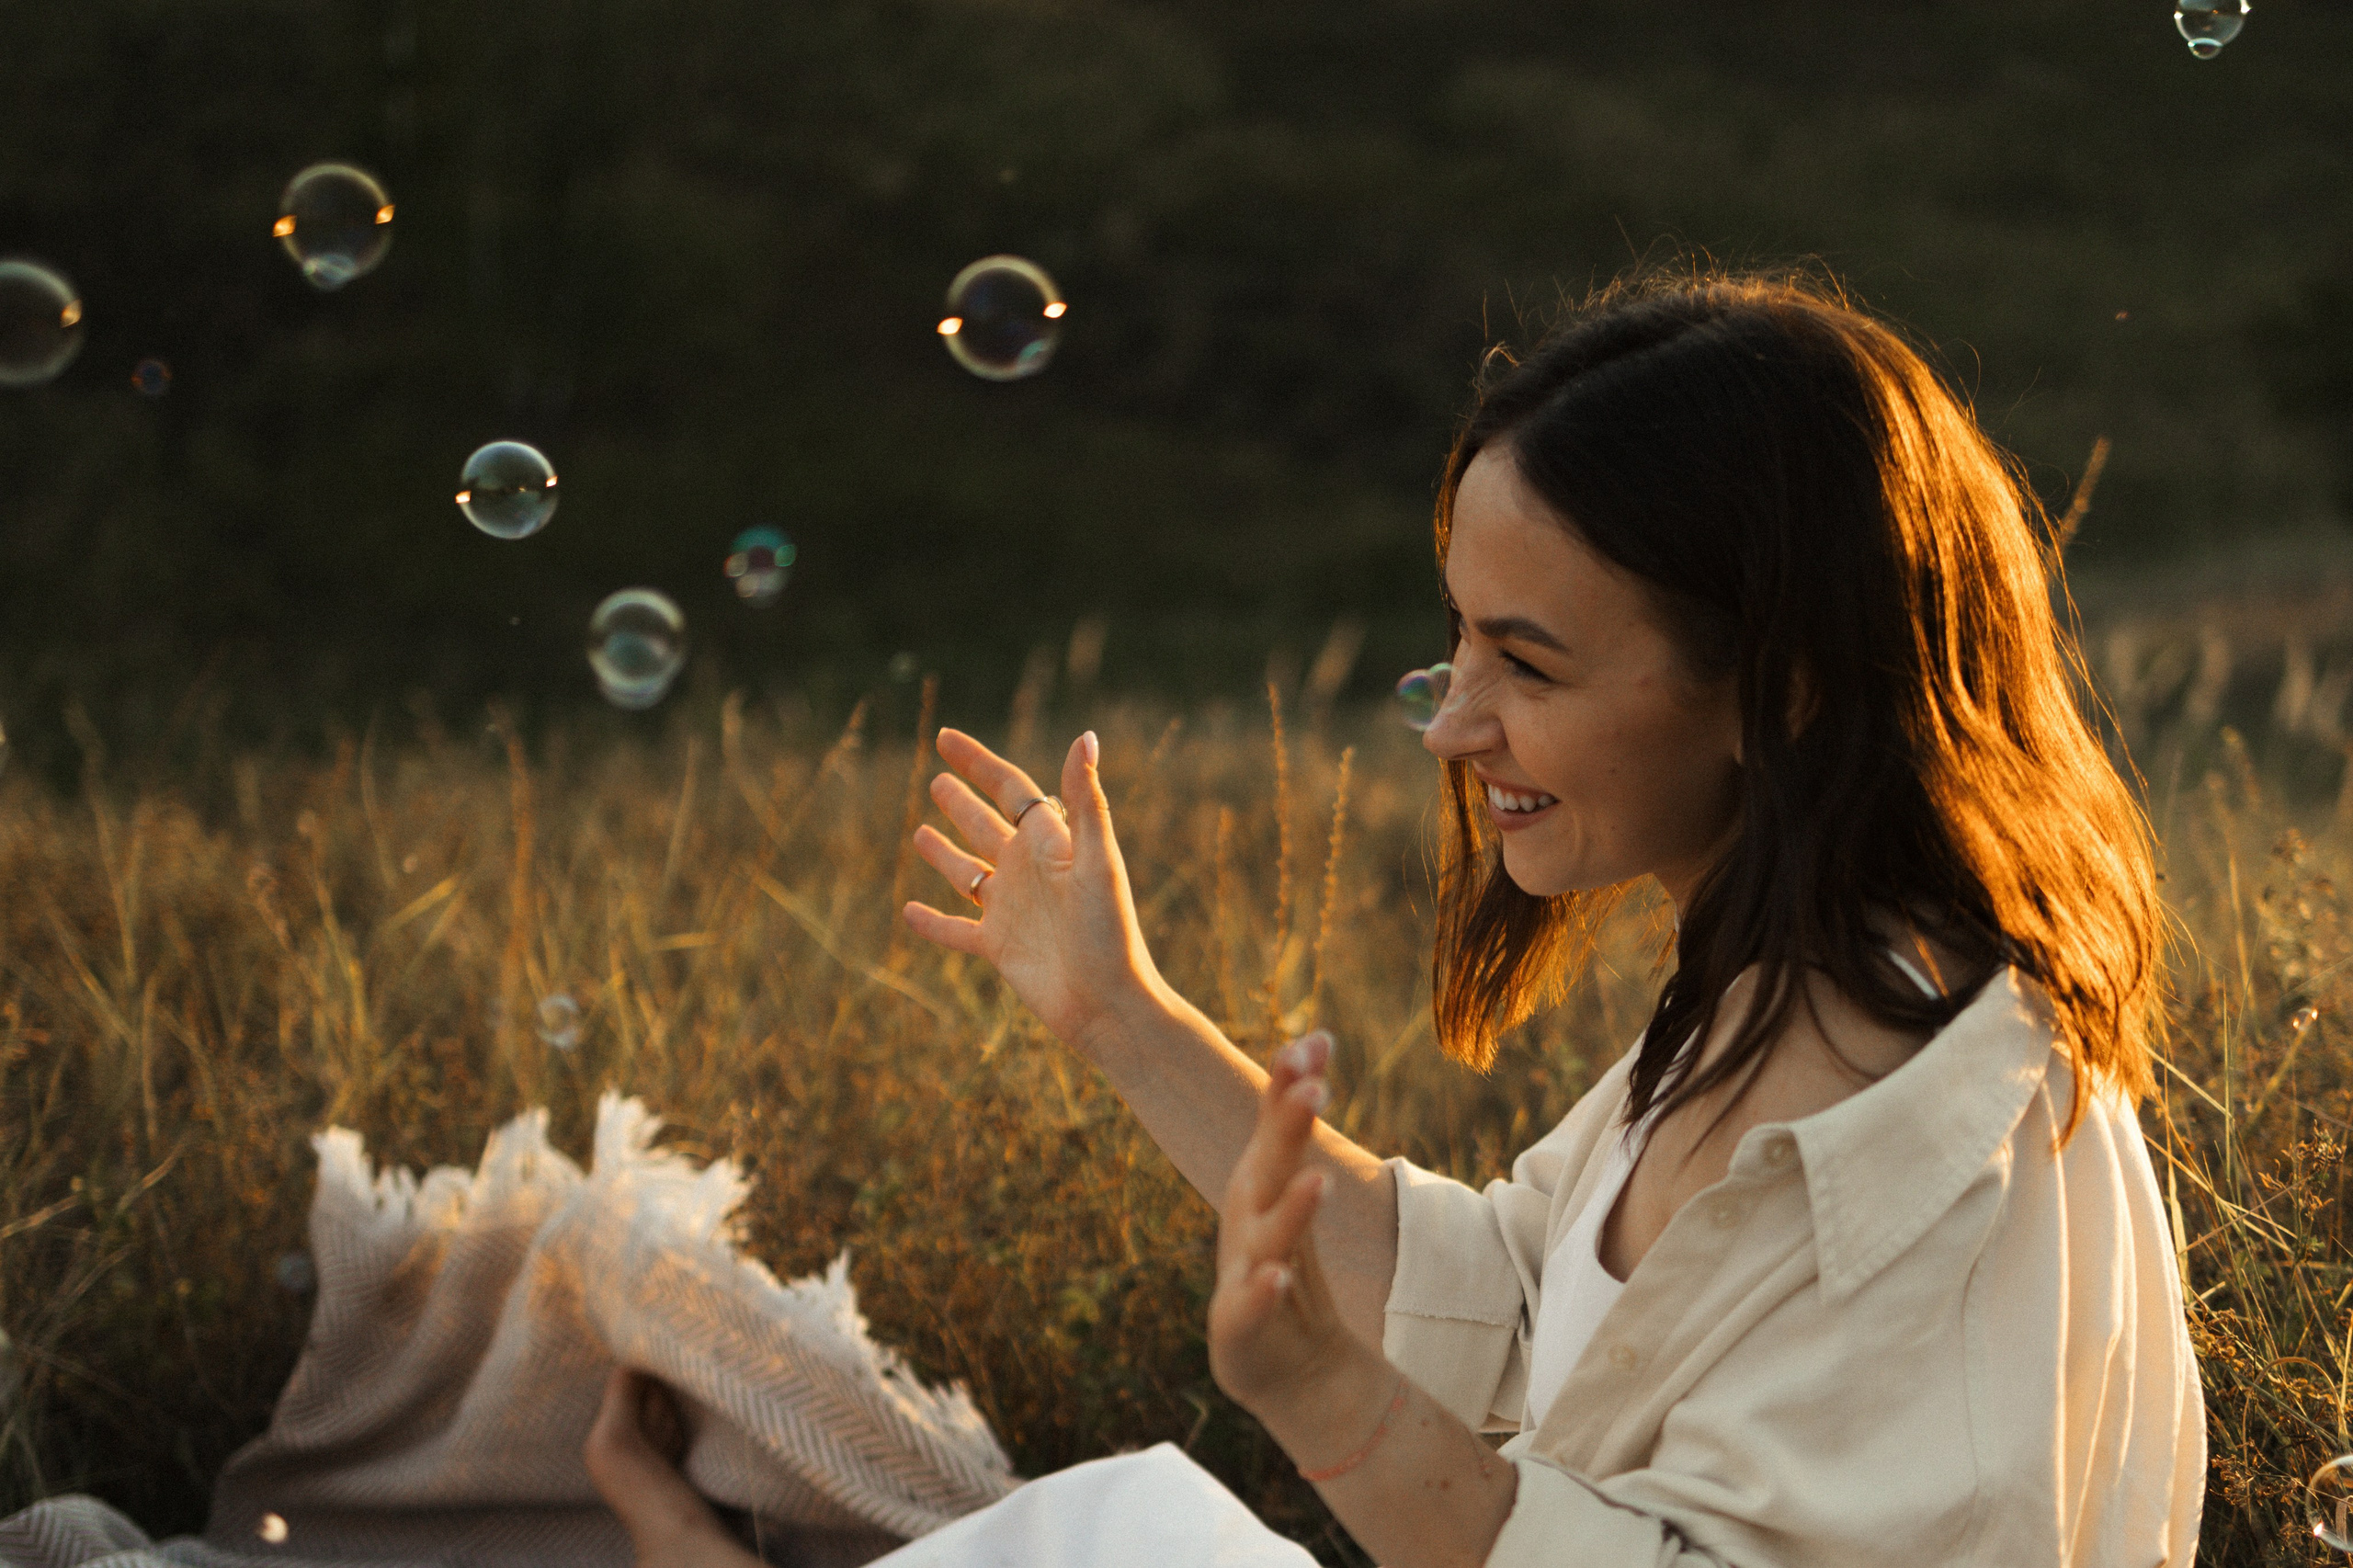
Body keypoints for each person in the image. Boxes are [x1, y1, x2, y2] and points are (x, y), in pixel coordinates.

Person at [589, 270, 2205, 1566]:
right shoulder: (1781, 996)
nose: (1452, 723)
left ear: (1771, 686)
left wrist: (1330, 1404)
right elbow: (1504, 1299)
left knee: (1135, 1534)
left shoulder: (1924, 1144)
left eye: (1532, 661)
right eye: (1461, 640)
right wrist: (1121, 1014)